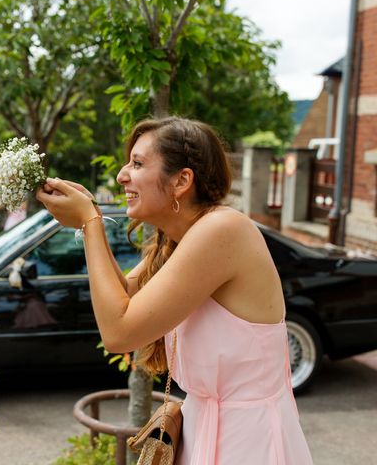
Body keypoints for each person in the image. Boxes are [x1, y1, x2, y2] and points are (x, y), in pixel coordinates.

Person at [37, 116, 313, 464]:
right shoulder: (179, 242)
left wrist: (91, 224)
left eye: (137, 164)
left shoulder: (222, 230)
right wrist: (90, 216)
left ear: (182, 180)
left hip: (246, 440)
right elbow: (125, 297)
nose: (122, 175)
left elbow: (119, 332)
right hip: (202, 429)